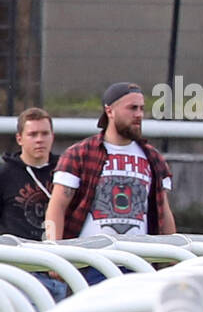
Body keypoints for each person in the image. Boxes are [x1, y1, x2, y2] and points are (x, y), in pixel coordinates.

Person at [46, 83, 176, 284]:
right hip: (91, 261)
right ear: (110, 110)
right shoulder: (81, 153)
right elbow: (57, 206)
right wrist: (55, 251)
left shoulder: (153, 158)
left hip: (139, 262)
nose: (139, 115)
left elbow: (163, 212)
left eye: (142, 108)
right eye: (132, 108)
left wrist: (175, 259)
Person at [0, 107, 68, 300]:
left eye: (45, 133)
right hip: (19, 270)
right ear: (19, 138)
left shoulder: (66, 172)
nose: (39, 139)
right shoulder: (5, 174)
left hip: (58, 268)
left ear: (52, 136)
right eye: (32, 134)